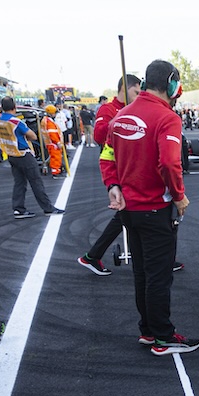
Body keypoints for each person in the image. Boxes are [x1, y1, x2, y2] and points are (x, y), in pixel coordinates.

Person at [101, 59, 199, 355]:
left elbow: (107, 156)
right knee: (159, 275)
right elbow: (169, 162)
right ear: (172, 84)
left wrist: (112, 185)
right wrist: (179, 195)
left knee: (142, 273)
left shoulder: (121, 117)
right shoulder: (167, 118)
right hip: (156, 209)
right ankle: (162, 336)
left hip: (128, 210)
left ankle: (147, 330)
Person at [80, 74, 141, 276]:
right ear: (124, 88)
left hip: (133, 167)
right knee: (127, 212)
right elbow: (98, 136)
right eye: (135, 91)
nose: (138, 96)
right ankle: (92, 256)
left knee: (126, 214)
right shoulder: (108, 109)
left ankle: (92, 256)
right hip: (117, 169)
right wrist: (120, 119)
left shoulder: (137, 108)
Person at [0, 97, 61, 219]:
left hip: (11, 153)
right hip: (23, 154)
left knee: (19, 182)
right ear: (14, 107)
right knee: (36, 181)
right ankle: (48, 208)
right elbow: (33, 136)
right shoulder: (16, 122)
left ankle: (19, 209)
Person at [41, 105, 64, 175]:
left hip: (51, 143)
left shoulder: (46, 120)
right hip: (53, 143)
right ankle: (55, 172)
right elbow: (52, 134)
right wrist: (58, 142)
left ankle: (56, 170)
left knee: (55, 158)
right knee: (56, 158)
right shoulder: (49, 122)